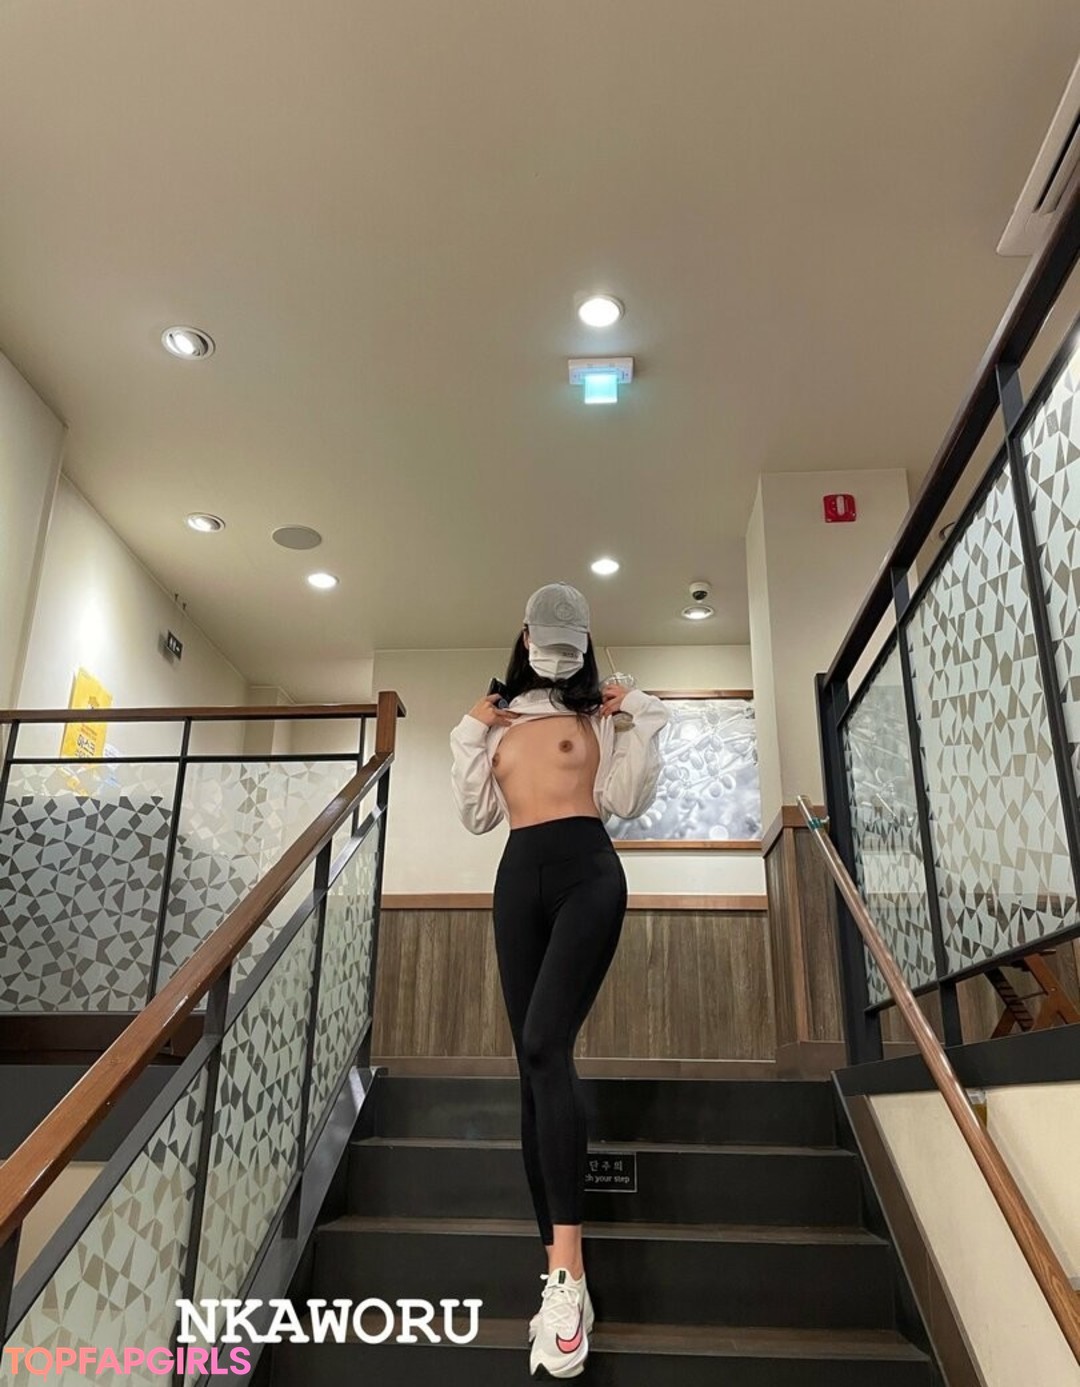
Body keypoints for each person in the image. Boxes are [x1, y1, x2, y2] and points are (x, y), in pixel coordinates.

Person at [449, 581, 670, 1379]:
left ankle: (570, 1276)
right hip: (518, 876)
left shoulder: (597, 712)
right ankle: (557, 1278)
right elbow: (476, 814)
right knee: (533, 1069)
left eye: (569, 647)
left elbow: (626, 799)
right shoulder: (499, 718)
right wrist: (470, 729)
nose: (556, 657)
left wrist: (638, 711)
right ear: (525, 637)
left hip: (587, 870)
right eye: (546, 644)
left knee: (546, 1042)